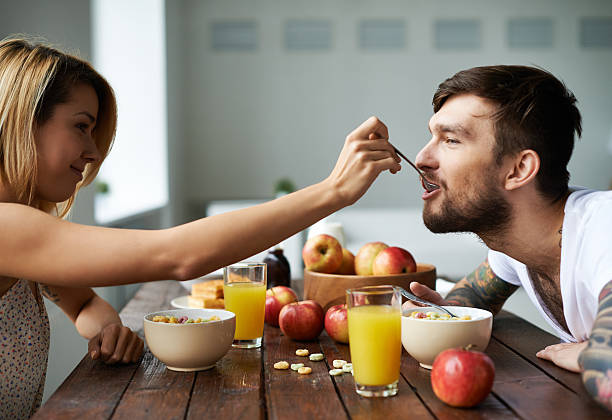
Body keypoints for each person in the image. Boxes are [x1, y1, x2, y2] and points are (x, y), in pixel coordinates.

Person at [0, 37, 401, 419]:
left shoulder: (25, 229)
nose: (94, 152)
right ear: (23, 122)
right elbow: (177, 256)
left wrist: (108, 329)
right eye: (81, 126)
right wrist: (332, 191)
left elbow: (83, 303)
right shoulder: (7, 228)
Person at [402, 65, 612, 412]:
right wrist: (443, 317)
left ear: (518, 170)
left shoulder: (602, 227)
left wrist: (594, 355)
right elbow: (474, 297)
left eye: (451, 140)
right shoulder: (519, 240)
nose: (422, 158)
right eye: (432, 137)